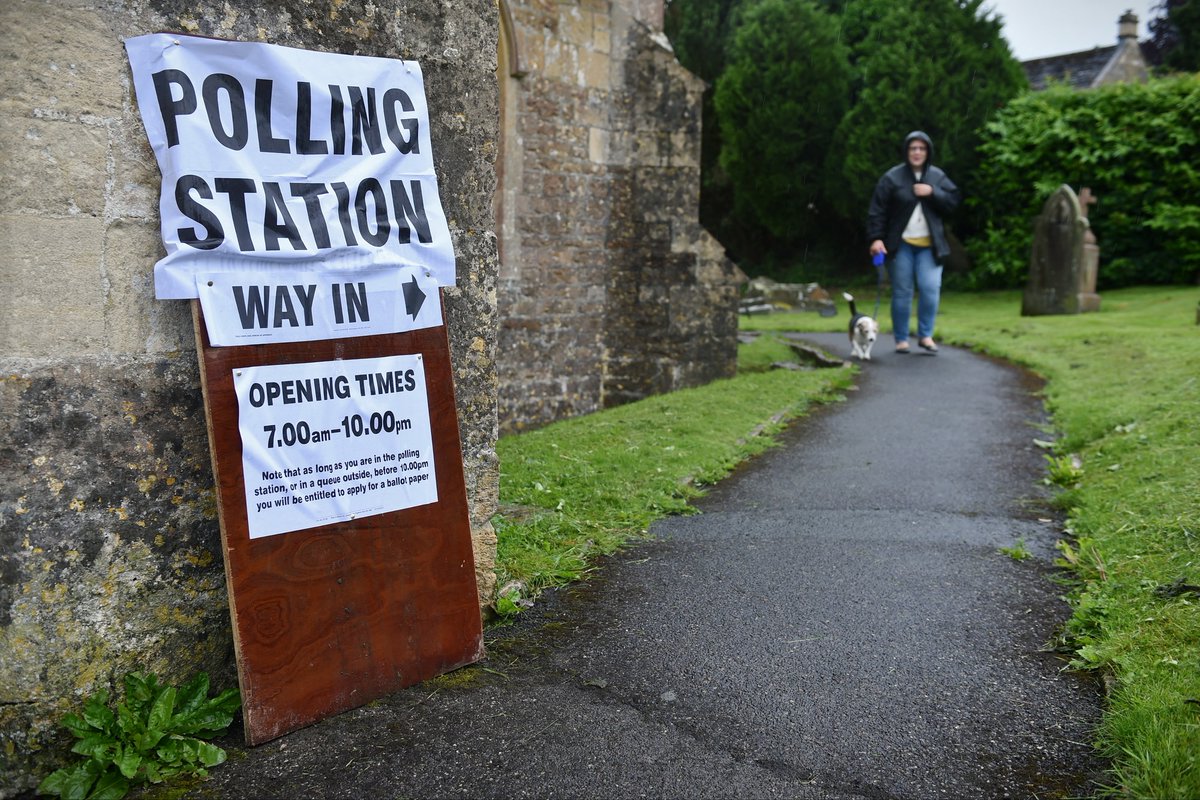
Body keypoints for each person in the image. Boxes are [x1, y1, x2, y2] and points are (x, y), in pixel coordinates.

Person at [867, 131, 960, 354]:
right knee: (902, 292)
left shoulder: (937, 177)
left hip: (930, 245)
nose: (917, 152)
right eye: (913, 148)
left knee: (930, 288)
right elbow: (877, 210)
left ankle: (925, 336)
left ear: (928, 152)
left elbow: (953, 202)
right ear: (906, 151)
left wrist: (933, 193)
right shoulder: (892, 177)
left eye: (922, 148)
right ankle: (901, 339)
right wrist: (876, 238)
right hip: (901, 246)